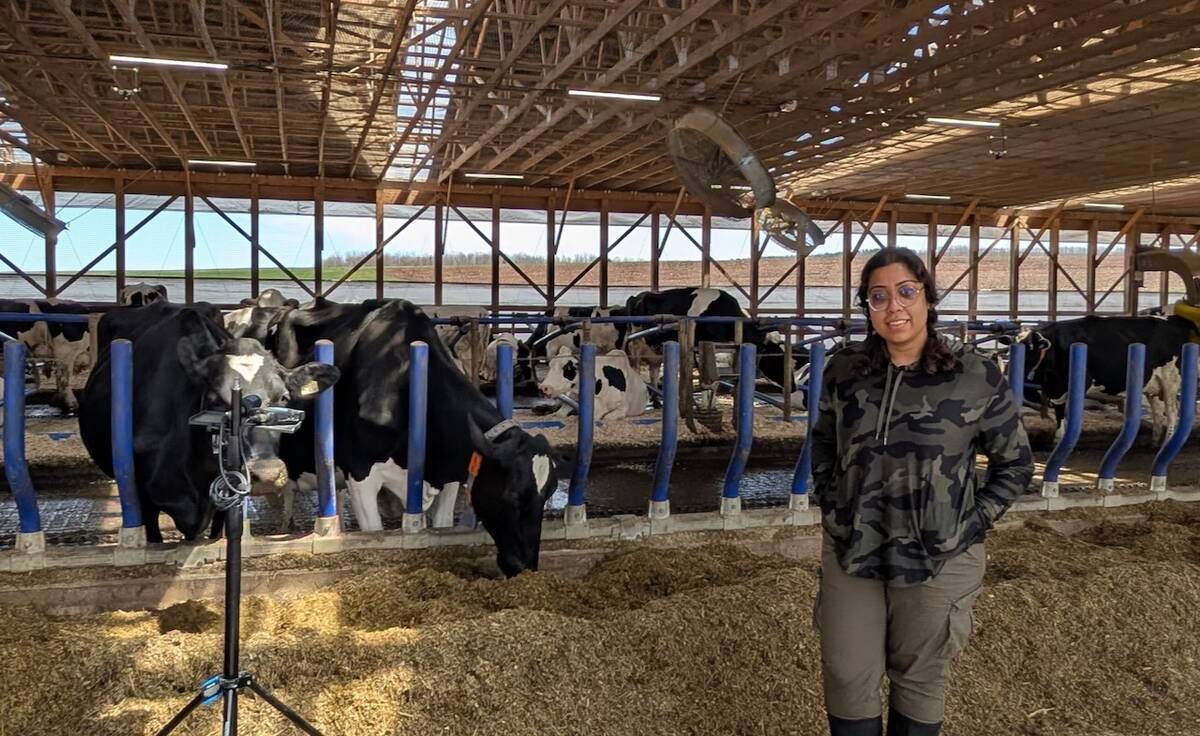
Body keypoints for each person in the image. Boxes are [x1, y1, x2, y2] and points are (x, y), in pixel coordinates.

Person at [810, 247, 1033, 736]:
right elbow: (823, 440)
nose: (895, 307)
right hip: (854, 548)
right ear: (867, 307)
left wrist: (971, 523)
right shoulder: (844, 370)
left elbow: (1015, 465)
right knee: (847, 672)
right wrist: (832, 501)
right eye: (879, 297)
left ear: (929, 298)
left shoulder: (973, 374)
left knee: (920, 677)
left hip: (940, 556)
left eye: (907, 292)